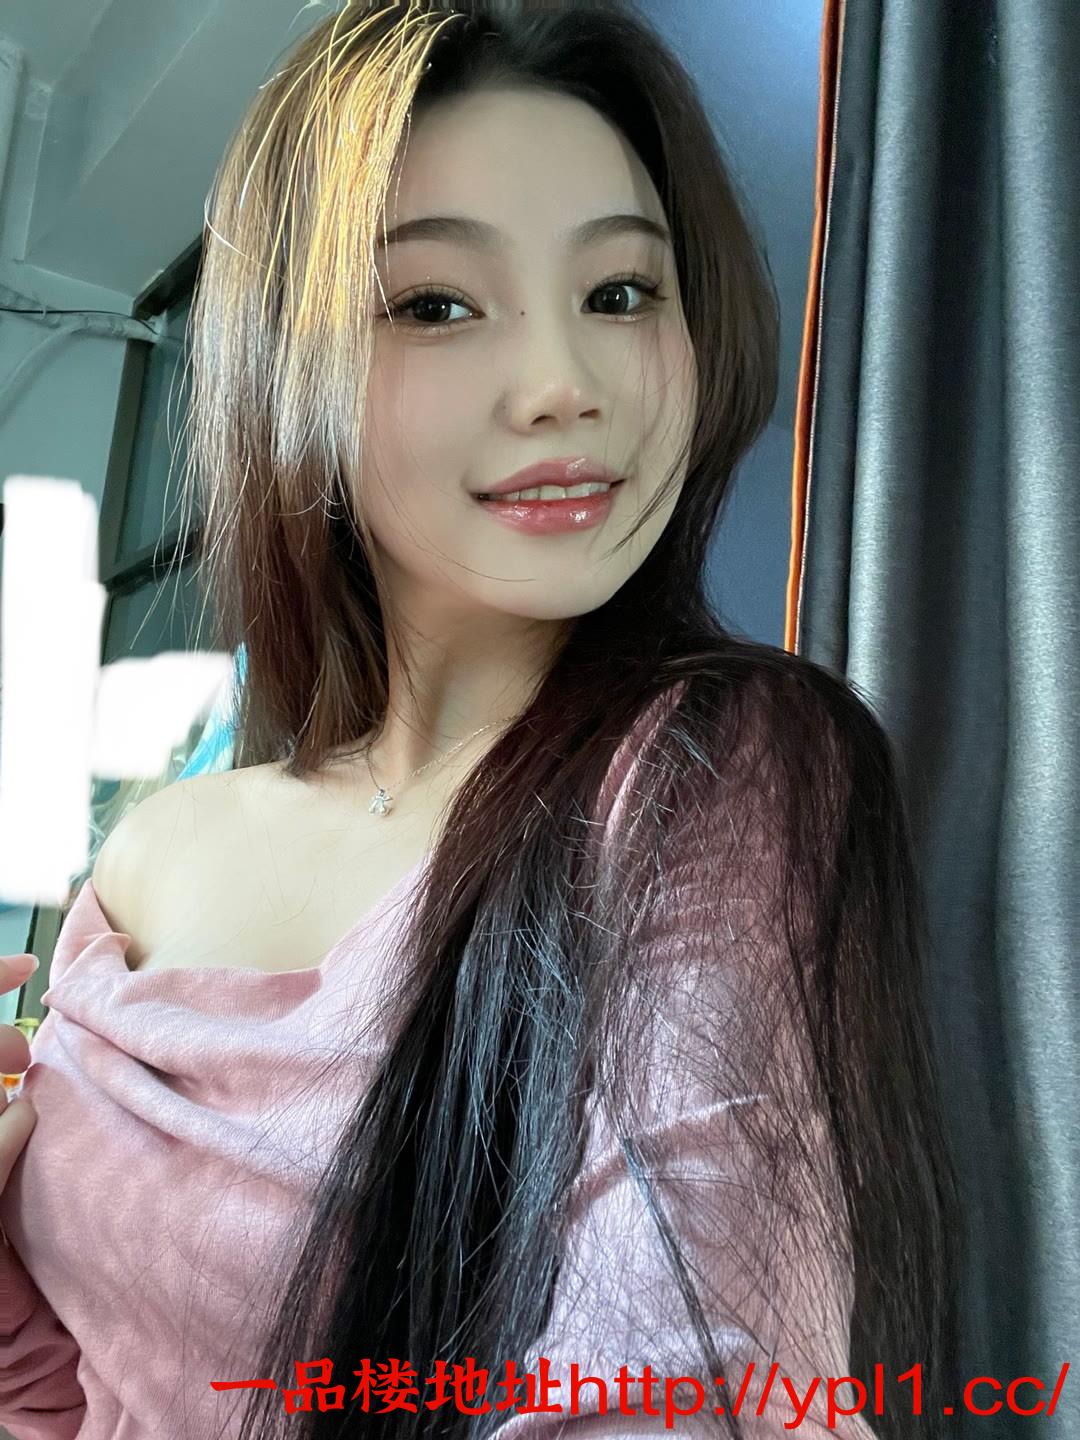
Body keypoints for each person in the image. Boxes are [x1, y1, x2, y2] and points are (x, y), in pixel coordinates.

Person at [0, 2, 962, 1437]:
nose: (568, 385)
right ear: (285, 366)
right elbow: (73, 1393)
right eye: (436, 304)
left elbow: (689, 1394)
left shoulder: (707, 774)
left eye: (622, 292)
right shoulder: (147, 855)